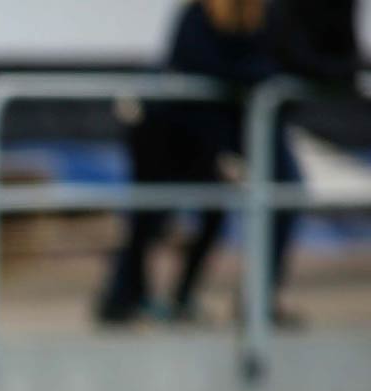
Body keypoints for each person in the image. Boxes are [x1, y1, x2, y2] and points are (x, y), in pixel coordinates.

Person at [95, 0, 296, 326]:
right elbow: (205, 66)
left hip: (213, 138)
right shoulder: (196, 16)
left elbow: (275, 65)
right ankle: (124, 296)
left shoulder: (265, 17)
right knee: (150, 217)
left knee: (215, 213)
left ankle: (184, 295)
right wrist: (249, 74)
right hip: (170, 134)